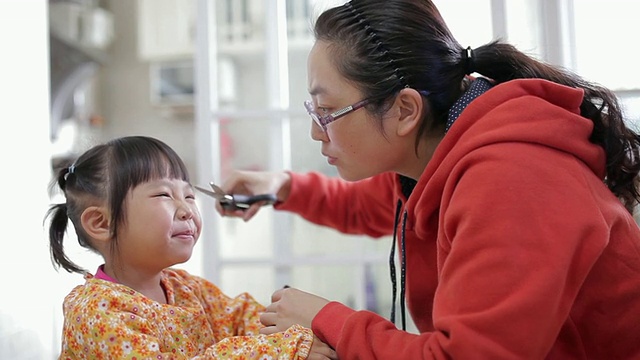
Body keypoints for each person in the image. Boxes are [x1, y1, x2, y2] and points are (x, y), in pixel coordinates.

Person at [216, 0, 640, 358]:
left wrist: (326, 319)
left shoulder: (512, 180)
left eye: (327, 112)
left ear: (405, 110)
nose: (316, 130)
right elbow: (363, 206)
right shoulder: (436, 154)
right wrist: (282, 186)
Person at [45, 135, 337, 359]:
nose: (186, 210)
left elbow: (241, 318)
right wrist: (278, 351)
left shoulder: (186, 289)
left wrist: (301, 330)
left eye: (189, 195)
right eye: (163, 194)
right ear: (102, 223)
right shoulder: (96, 309)